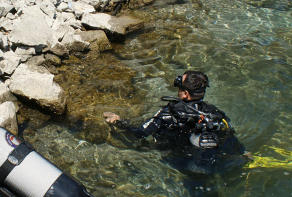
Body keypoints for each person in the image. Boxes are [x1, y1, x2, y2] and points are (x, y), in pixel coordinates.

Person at [104, 71, 248, 182]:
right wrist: (243, 152)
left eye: (179, 85)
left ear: (185, 94)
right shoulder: (214, 113)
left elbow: (140, 132)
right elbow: (229, 135)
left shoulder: (169, 113)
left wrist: (118, 121)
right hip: (210, 160)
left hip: (178, 161)